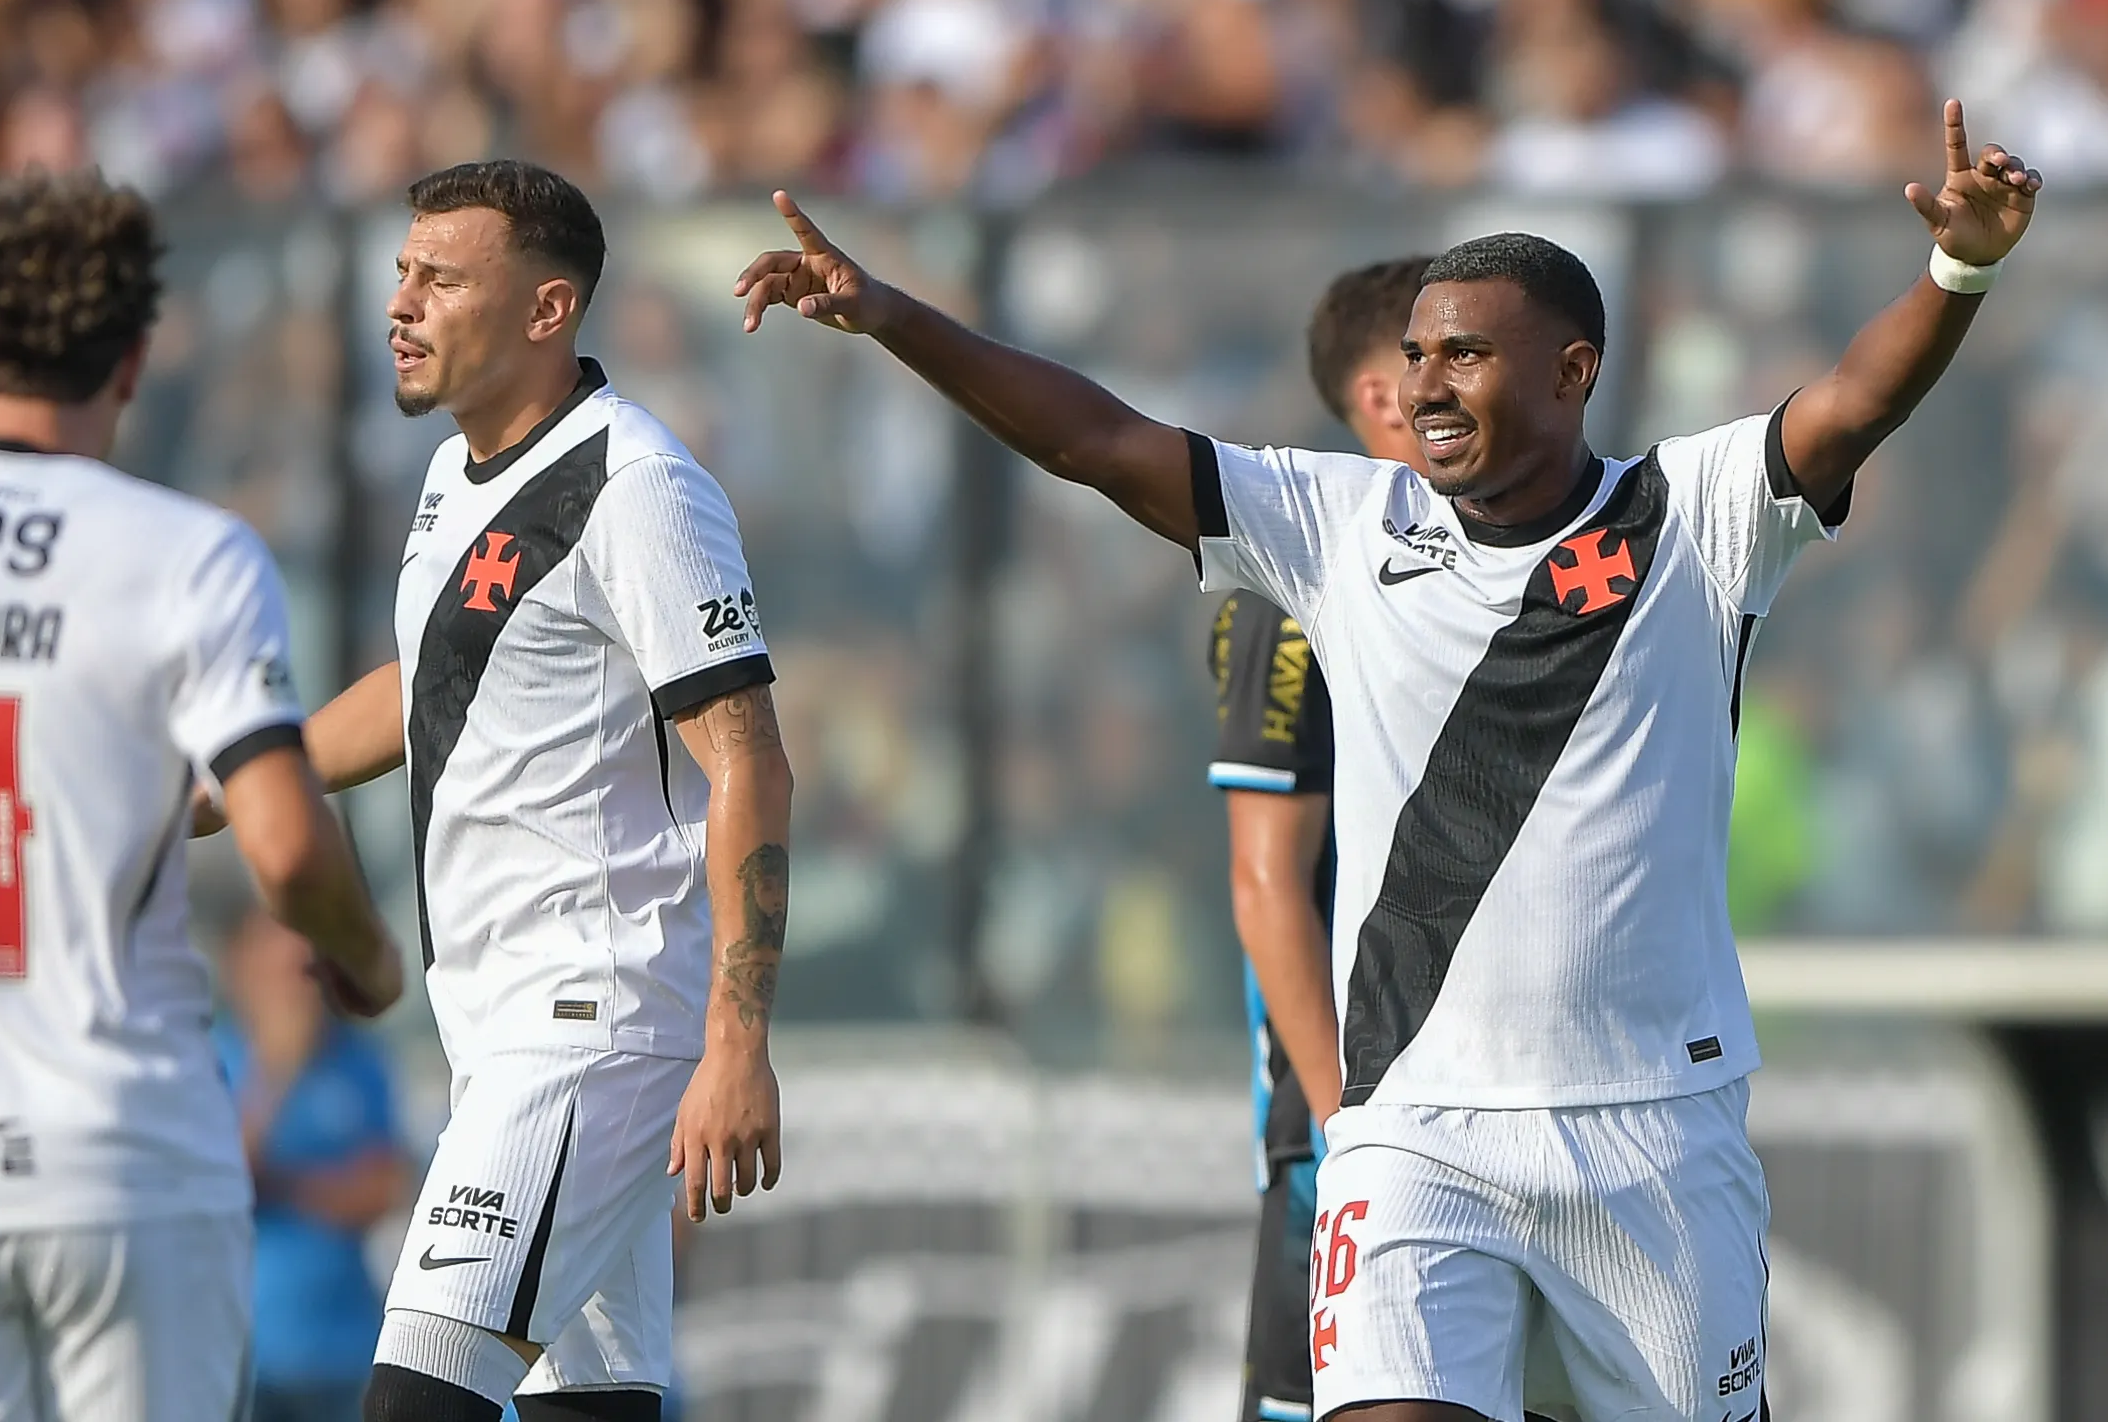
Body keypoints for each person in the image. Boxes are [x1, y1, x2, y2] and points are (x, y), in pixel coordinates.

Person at [735, 103, 2042, 1422]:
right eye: (1415, 355)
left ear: (1573, 371)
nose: (1423, 386)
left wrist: (1960, 270)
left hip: (1649, 1124)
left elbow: (1860, 398)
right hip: (1412, 1124)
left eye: (1465, 355)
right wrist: (897, 317)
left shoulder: (1694, 515)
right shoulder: (1336, 523)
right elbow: (1097, 441)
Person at [0, 170, 404, 1422]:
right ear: (131, 357)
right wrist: (368, 960)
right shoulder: (185, 551)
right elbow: (282, 845)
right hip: (124, 1153)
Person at [302, 159, 797, 1422]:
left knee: (418, 1401)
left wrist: (739, 1035)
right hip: (506, 1018)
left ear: (546, 310)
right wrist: (240, 775)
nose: (402, 304)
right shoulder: (459, 472)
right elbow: (424, 681)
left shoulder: (637, 483)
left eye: (442, 278)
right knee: (598, 1408)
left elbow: (746, 756)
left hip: (588, 1015)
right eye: (402, 272)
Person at [1217, 256, 1433, 1422]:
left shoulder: (1509, 558)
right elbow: (1266, 883)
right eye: (1441, 351)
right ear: (1382, 396)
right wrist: (1344, 1122)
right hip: (1348, 1116)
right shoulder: (1292, 586)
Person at [209, 893, 412, 1422]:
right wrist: (277, 1070)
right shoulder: (214, 1057)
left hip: (346, 1351)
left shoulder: (358, 1060)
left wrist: (283, 1185)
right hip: (248, 1357)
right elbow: (219, 1185)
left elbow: (385, 1187)